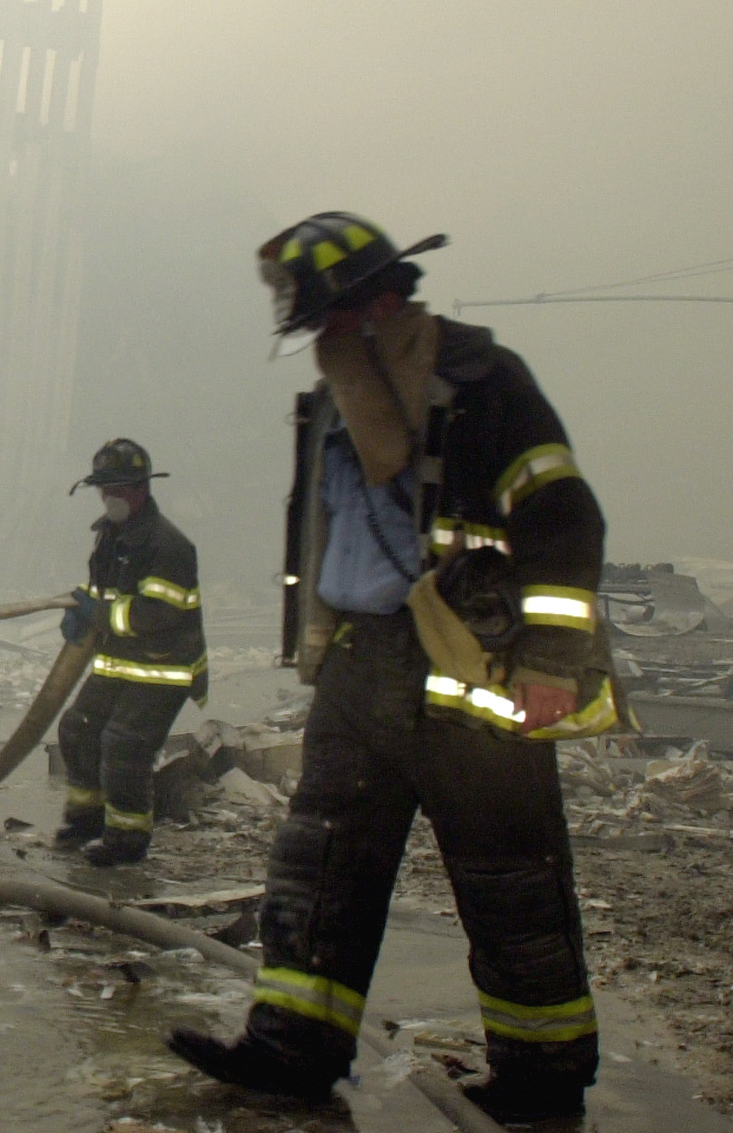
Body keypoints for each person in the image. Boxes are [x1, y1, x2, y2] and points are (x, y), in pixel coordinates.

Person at [168, 213, 617, 1123]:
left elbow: (567, 518)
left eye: (331, 323)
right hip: (362, 667)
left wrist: (550, 660)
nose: (321, 345)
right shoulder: (337, 401)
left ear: (377, 305)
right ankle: (293, 1046)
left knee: (508, 880)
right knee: (320, 864)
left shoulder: (486, 384)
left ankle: (541, 1076)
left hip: (472, 667)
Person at [54, 439, 207, 866]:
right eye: (104, 489)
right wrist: (83, 610)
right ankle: (86, 821)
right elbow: (108, 593)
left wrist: (100, 614)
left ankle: (126, 840)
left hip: (163, 668)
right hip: (120, 663)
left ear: (142, 488)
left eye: (120, 488)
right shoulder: (110, 535)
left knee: (123, 747)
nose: (111, 497)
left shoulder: (168, 546)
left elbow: (157, 614)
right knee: (77, 729)